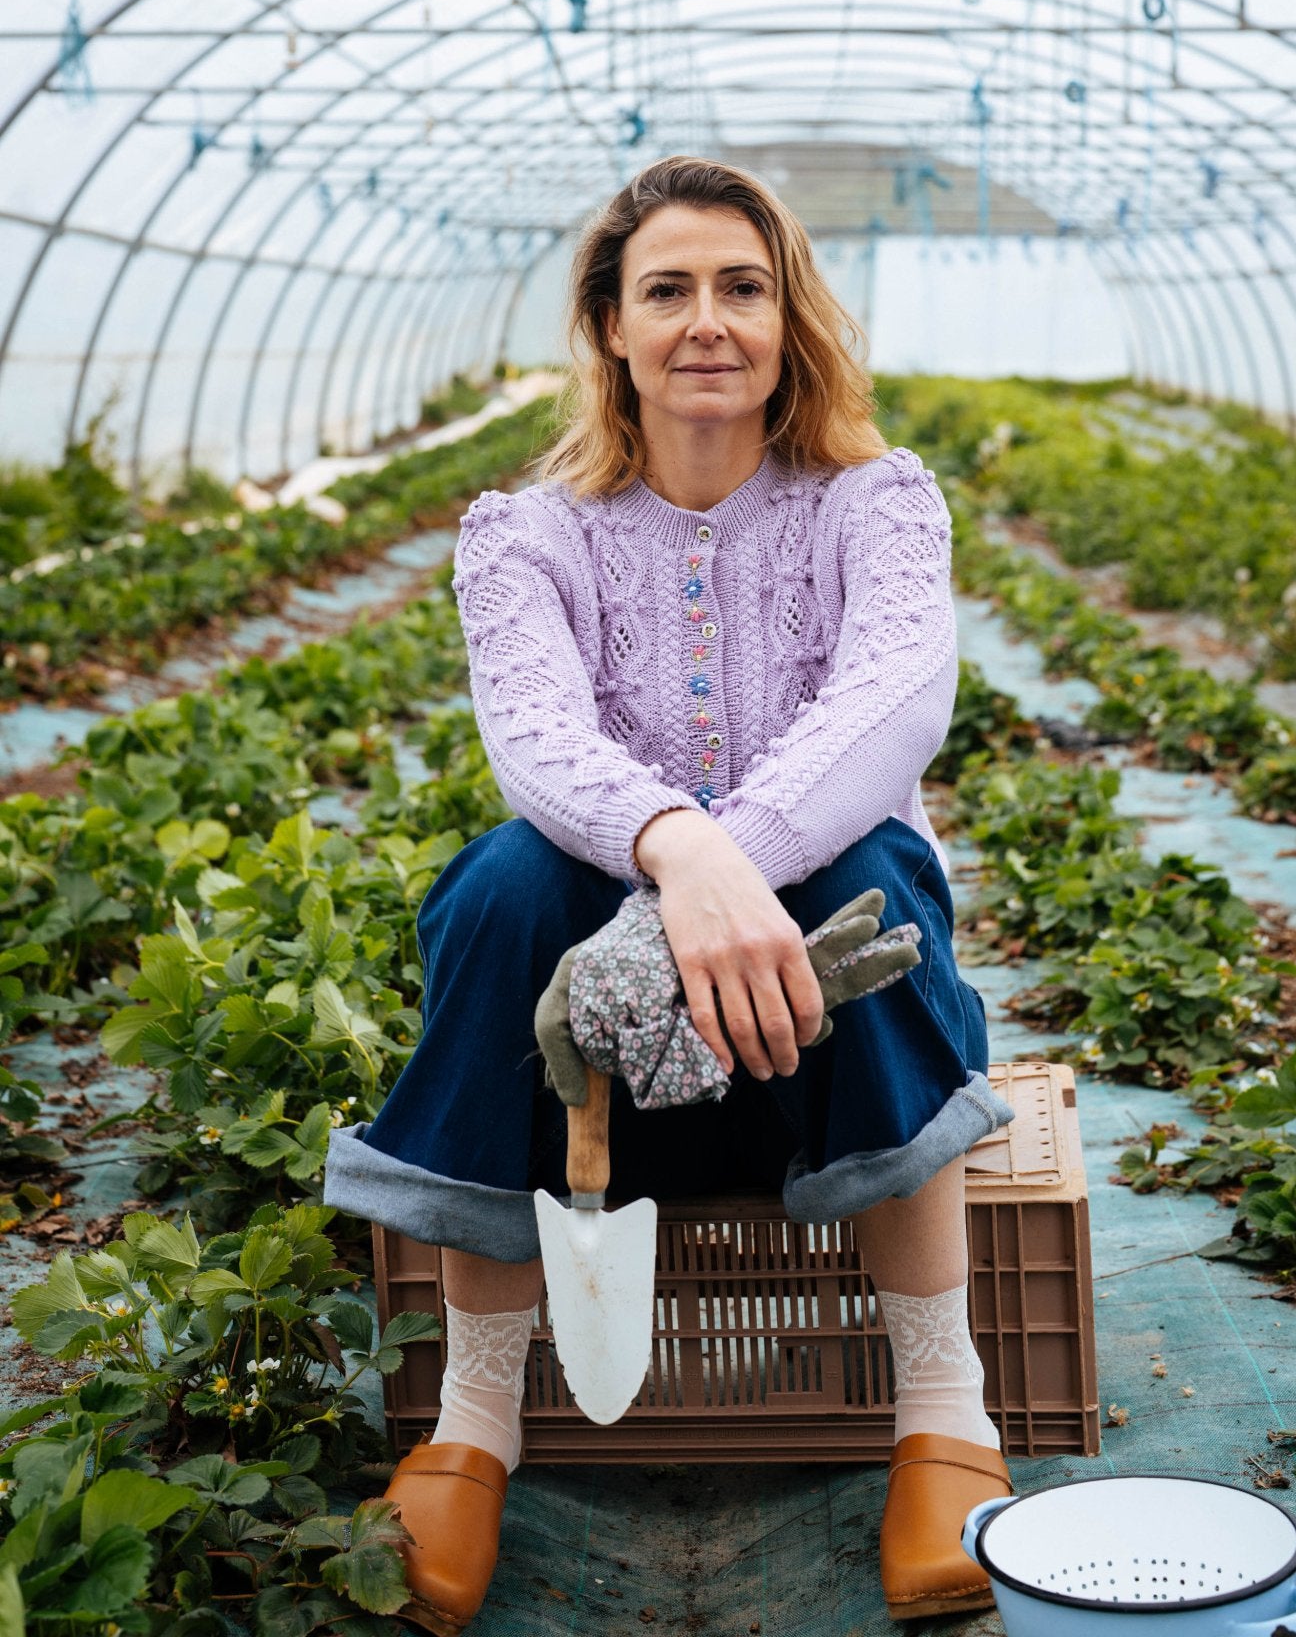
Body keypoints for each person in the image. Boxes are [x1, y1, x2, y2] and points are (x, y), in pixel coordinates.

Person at [324, 155, 1014, 1631]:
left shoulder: (875, 507)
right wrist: (677, 855)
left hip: (807, 1042)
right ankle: (477, 1421)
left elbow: (889, 712)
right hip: (592, 1084)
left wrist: (729, 861)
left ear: (787, 320)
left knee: (875, 870)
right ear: (612, 328)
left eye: (742, 287)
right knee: (507, 884)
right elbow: (537, 743)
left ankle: (943, 1413)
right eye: (668, 290)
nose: (708, 320)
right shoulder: (526, 534)